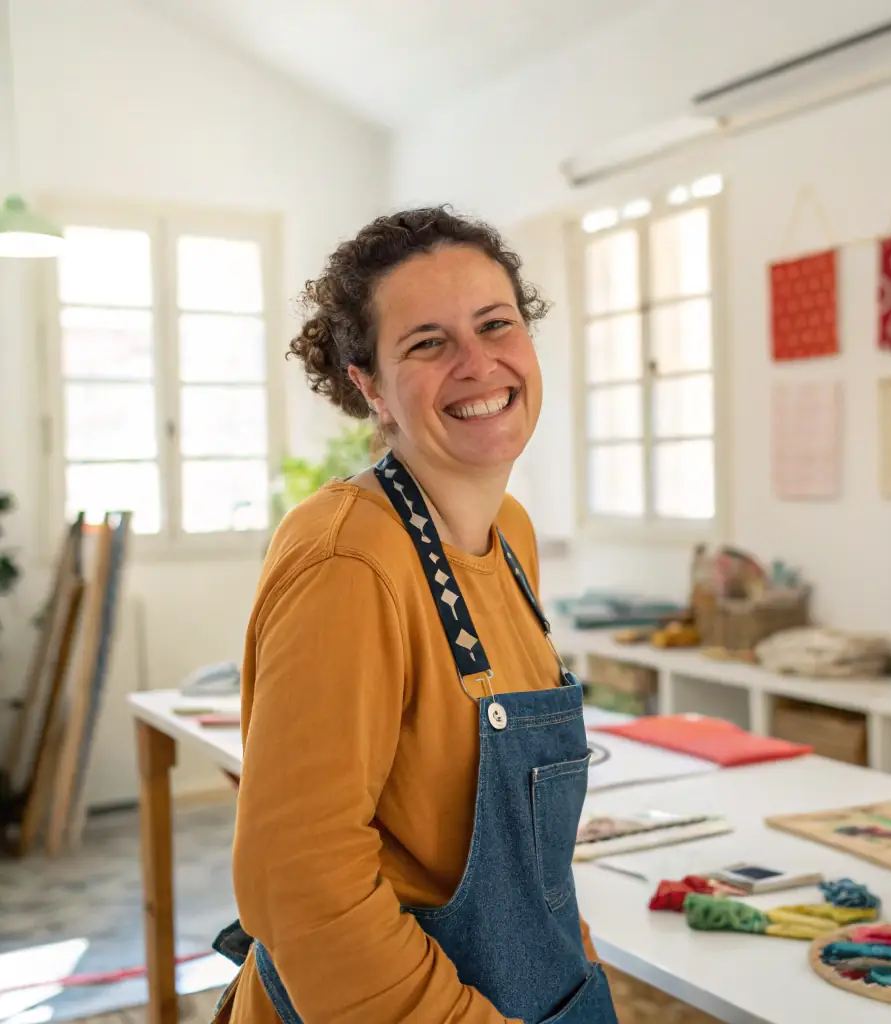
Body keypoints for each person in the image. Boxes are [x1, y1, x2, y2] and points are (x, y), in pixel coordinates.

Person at [211, 208, 618, 1024]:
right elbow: (298, 883)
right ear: (369, 386)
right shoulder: (349, 562)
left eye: (495, 324)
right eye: (427, 343)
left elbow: (525, 872)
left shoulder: (509, 537)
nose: (478, 364)